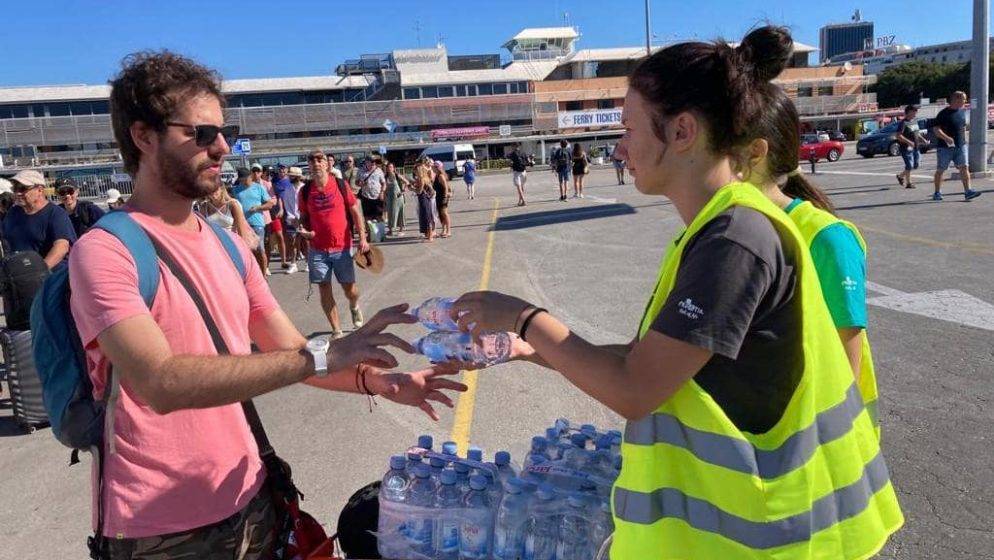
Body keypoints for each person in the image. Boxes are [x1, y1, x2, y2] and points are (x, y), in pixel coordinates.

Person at [449, 26, 902, 558]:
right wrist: (536, 349)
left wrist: (523, 316)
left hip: (762, 540)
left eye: (629, 129)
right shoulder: (716, 228)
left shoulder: (736, 239)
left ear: (682, 130)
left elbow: (635, 388)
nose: (620, 149)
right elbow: (665, 363)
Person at [69, 51, 464, 560]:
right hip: (160, 529)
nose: (223, 147)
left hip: (252, 498)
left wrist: (384, 383)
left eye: (223, 130)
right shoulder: (106, 251)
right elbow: (160, 383)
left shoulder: (230, 248)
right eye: (203, 133)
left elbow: (292, 351)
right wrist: (323, 355)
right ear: (144, 137)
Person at [740, 87, 881, 438]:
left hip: (827, 445)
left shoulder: (827, 238)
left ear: (756, 153)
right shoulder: (733, 230)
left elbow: (844, 364)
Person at [298, 149, 368, 338]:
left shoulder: (340, 185)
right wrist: (304, 231)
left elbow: (355, 211)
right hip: (318, 249)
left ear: (328, 164)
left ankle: (354, 305)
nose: (316, 163)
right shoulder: (304, 192)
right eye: (311, 160)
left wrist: (362, 237)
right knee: (324, 287)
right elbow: (303, 218)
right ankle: (336, 330)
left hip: (342, 247)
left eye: (319, 159)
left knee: (350, 290)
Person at [4, 169, 77, 270]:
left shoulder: (56, 214)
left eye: (22, 188)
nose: (18, 193)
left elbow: (61, 246)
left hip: (49, 278)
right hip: (17, 276)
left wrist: (40, 271)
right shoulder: (13, 213)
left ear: (40, 190)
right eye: (15, 188)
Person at [932, 91, 982, 201]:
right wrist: (946, 138)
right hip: (945, 148)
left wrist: (964, 140)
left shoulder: (962, 112)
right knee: (941, 169)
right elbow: (936, 129)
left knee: (964, 167)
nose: (965, 101)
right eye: (964, 99)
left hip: (961, 146)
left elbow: (963, 128)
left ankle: (968, 191)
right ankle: (937, 192)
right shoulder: (943, 114)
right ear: (956, 99)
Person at [232, 167, 276, 275]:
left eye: (245, 178)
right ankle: (253, 273)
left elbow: (270, 204)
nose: (244, 181)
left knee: (259, 249)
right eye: (241, 179)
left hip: (257, 223)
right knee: (246, 250)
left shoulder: (259, 188)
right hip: (242, 224)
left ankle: (264, 273)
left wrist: (258, 208)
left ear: (250, 176)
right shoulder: (236, 190)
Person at [194, 180, 258, 248]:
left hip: (232, 243)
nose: (212, 193)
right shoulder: (204, 206)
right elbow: (204, 230)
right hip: (214, 245)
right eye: (210, 191)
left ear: (221, 189)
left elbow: (241, 230)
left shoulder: (233, 205)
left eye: (215, 190)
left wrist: (244, 248)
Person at [271, 164, 295, 273]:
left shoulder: (290, 180)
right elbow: (278, 197)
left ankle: (294, 253)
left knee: (291, 233)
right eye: (280, 170)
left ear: (286, 170)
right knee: (283, 233)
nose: (282, 171)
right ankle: (287, 255)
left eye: (284, 169)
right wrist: (280, 209)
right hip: (279, 211)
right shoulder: (275, 181)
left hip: (290, 208)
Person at [894, 105, 923, 189]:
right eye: (914, 111)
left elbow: (917, 133)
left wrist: (923, 139)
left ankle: (900, 176)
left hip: (916, 147)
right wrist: (909, 142)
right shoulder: (903, 123)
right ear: (909, 112)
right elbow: (898, 136)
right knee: (909, 165)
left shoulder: (914, 121)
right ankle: (909, 183)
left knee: (916, 165)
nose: (915, 113)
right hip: (906, 149)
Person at [285, 166, 308, 271]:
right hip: (292, 219)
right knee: (292, 241)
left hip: (304, 218)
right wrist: (292, 218)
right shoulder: (288, 189)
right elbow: (287, 204)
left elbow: (307, 204)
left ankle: (308, 262)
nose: (289, 178)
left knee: (305, 241)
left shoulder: (305, 188)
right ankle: (293, 264)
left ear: (297, 177)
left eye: (292, 176)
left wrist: (302, 218)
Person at [357, 157, 387, 223]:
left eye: (374, 161)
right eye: (371, 161)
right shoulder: (361, 171)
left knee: (379, 216)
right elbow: (357, 182)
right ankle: (370, 233)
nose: (373, 163)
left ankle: (380, 232)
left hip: (377, 197)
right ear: (366, 162)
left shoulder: (378, 170)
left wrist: (382, 193)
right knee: (367, 217)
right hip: (366, 197)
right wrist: (361, 184)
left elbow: (384, 183)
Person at [384, 162, 410, 236]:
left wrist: (402, 191)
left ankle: (401, 230)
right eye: (388, 167)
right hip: (390, 197)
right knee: (390, 213)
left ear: (394, 168)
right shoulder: (385, 177)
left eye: (391, 167)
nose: (389, 169)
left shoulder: (397, 175)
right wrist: (385, 195)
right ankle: (390, 230)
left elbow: (407, 182)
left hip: (398, 198)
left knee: (400, 213)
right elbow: (384, 187)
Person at [413, 158, 436, 241]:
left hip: (423, 198)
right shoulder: (425, 179)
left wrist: (412, 189)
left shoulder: (422, 179)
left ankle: (430, 236)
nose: (415, 173)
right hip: (426, 198)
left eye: (416, 171)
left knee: (426, 216)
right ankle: (428, 234)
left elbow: (419, 191)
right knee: (427, 216)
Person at [433, 161, 452, 238]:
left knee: (444, 213)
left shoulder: (441, 176)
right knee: (441, 215)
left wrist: (445, 197)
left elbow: (446, 187)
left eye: (434, 167)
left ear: (437, 168)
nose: (433, 168)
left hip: (442, 197)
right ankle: (443, 230)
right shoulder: (437, 176)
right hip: (438, 197)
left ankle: (448, 231)